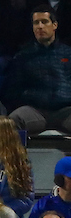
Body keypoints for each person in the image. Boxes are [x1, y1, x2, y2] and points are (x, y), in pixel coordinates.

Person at [4, 7, 71, 136]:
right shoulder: (23, 56)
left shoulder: (68, 53)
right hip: (35, 111)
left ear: (54, 25)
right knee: (11, 122)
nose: (40, 26)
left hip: (66, 110)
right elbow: (13, 91)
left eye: (44, 22)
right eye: (36, 23)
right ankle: (16, 157)